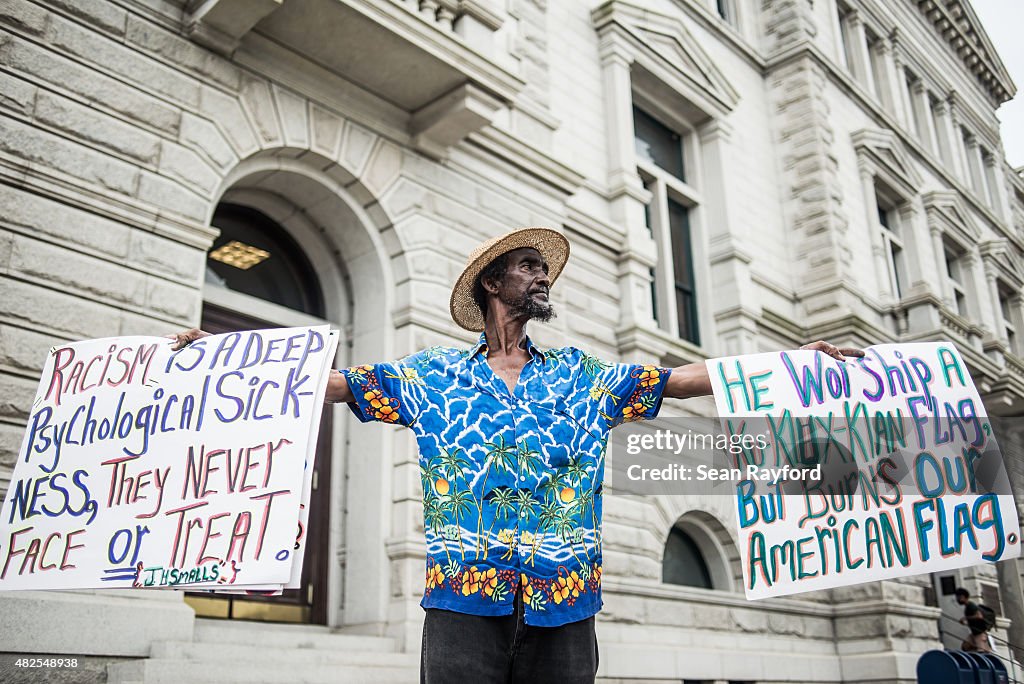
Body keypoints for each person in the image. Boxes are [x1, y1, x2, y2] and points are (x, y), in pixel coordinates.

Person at [171, 227, 862, 683]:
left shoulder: (583, 375)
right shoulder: (431, 375)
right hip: (462, 608)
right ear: (492, 282)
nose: (542, 277)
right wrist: (230, 365)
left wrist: (784, 365)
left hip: (564, 606)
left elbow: (678, 380)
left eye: (542, 268)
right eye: (529, 266)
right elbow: (337, 385)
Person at [955, 587, 993, 652]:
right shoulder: (967, 607)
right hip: (974, 633)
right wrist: (965, 622)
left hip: (979, 633)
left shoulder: (971, 605)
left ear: (963, 596)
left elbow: (979, 616)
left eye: (958, 597)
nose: (957, 599)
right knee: (965, 647)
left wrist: (965, 618)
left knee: (982, 652)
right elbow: (973, 619)